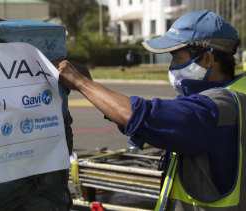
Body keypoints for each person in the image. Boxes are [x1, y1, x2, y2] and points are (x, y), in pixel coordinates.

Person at [58, 10, 246, 210]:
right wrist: (91, 86)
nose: (171, 67)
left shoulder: (215, 109)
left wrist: (81, 83)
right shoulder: (237, 94)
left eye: (175, 58)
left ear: (207, 60)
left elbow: (140, 116)